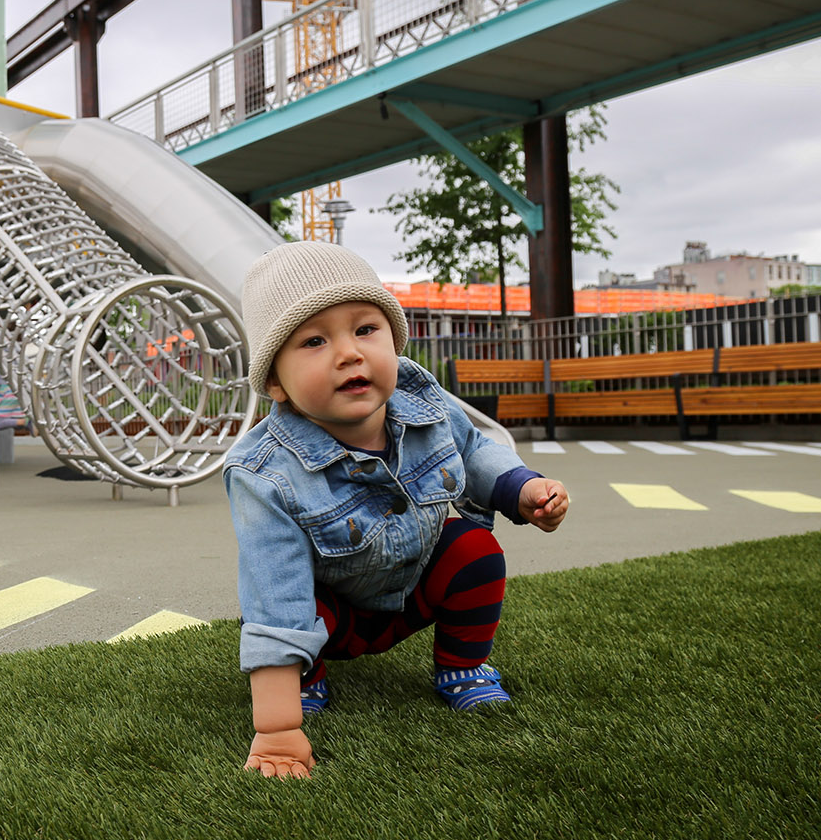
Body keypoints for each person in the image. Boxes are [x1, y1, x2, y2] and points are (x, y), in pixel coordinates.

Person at [224, 242, 570, 779]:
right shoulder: (263, 472)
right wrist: (277, 731)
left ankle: (463, 668)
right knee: (286, 598)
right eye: (314, 341)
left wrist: (520, 488)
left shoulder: (421, 398)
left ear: (393, 336)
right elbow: (275, 595)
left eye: (365, 329)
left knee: (473, 550)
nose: (349, 353)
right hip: (329, 616)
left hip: (409, 594)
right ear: (275, 382)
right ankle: (307, 675)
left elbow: (472, 449)